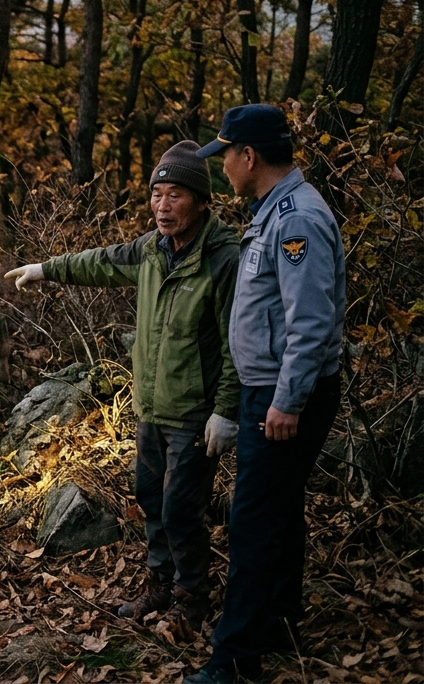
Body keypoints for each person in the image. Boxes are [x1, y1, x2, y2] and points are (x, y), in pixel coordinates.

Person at [5, 141, 240, 635]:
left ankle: (191, 600)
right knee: (150, 497)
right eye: (157, 195)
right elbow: (100, 261)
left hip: (194, 414)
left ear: (201, 201)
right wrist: (45, 269)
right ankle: (159, 585)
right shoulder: (151, 251)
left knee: (182, 509)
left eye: (175, 195)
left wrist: (226, 411)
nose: (163, 206)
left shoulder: (224, 259)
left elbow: (237, 345)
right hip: (152, 407)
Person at [185, 106, 345, 684]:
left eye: (225, 155)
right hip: (271, 389)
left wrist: (287, 400)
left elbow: (311, 323)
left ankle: (234, 661)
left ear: (248, 156)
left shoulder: (296, 220)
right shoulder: (272, 214)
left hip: (278, 396)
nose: (222, 167)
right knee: (278, 510)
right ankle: (278, 620)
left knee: (252, 521)